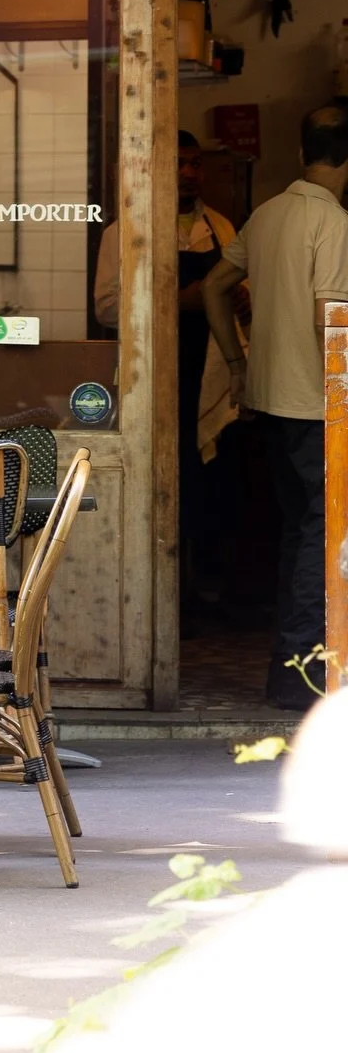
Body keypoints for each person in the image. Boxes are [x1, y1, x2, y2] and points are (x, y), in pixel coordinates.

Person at [203, 104, 348, 709]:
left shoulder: (265, 214)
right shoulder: (332, 222)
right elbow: (330, 322)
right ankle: (306, 677)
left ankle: (291, 673)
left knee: (300, 533)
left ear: (301, 153)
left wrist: (237, 364)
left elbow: (212, 285)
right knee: (323, 535)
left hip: (271, 402)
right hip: (317, 406)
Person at [94, 132, 239, 609]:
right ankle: (155, 600)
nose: (190, 173)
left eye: (195, 164)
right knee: (159, 481)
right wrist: (179, 303)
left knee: (207, 483)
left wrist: (241, 298)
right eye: (178, 163)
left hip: (210, 374)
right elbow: (108, 310)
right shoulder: (125, 229)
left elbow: (244, 297)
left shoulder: (221, 227)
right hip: (153, 379)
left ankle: (200, 592)